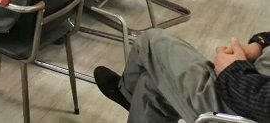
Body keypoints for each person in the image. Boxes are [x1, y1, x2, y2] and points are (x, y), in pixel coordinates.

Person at [94, 28, 270, 123]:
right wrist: (260, 44)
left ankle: (126, 94)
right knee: (152, 86)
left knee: (151, 40)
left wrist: (234, 72)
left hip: (248, 104)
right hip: (255, 80)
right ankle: (130, 97)